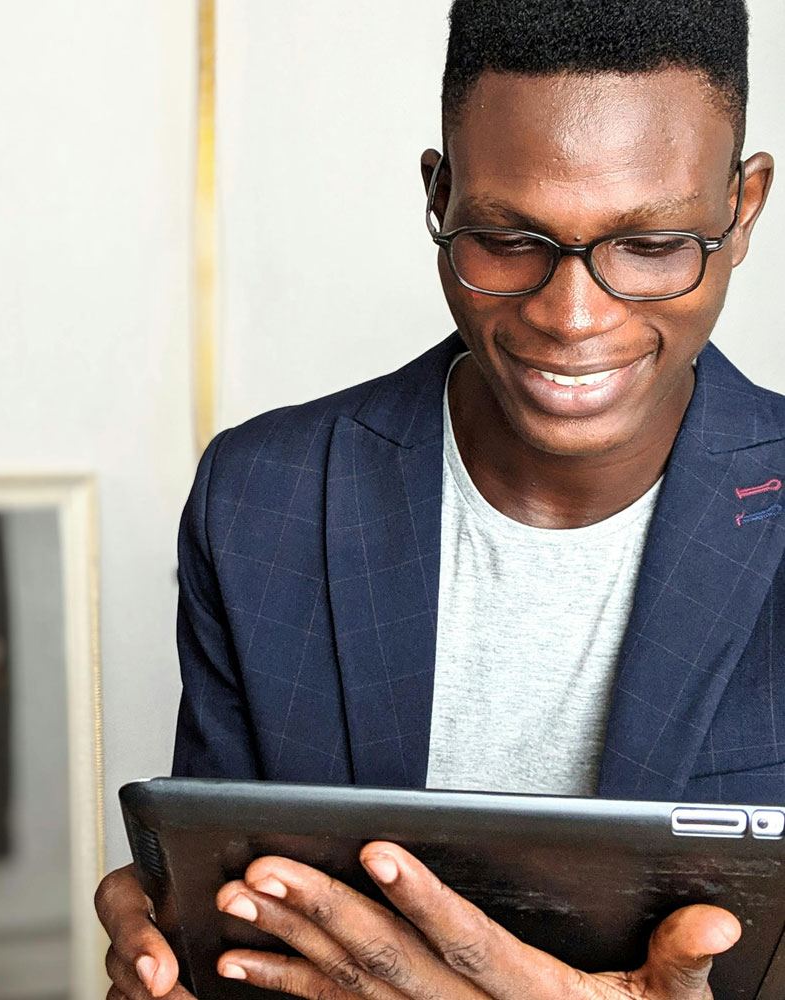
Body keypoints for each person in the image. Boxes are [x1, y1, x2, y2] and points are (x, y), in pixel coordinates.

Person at [98, 1, 782, 997]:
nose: (571, 315)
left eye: (651, 245)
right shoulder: (261, 506)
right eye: (509, 238)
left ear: (745, 210)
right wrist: (176, 967)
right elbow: (240, 939)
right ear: (439, 194)